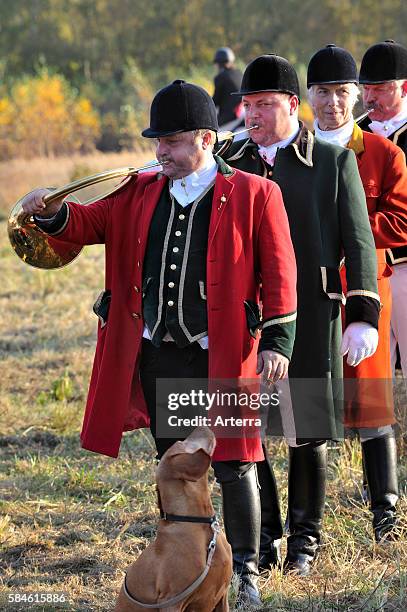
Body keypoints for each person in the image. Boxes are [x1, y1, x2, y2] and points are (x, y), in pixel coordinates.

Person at [21, 79, 297, 605]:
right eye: (156, 141)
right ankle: (183, 560)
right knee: (174, 461)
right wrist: (52, 212)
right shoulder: (141, 189)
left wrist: (278, 341)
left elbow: (281, 272)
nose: (158, 152)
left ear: (205, 139)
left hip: (224, 351)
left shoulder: (256, 194)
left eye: (170, 141)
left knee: (236, 463)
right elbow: (89, 221)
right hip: (159, 352)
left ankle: (246, 572)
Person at [219, 54, 380, 576]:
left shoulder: (332, 161)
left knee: (305, 428)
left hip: (311, 311)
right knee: (250, 429)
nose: (254, 115)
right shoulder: (230, 161)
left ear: (293, 104)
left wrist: (362, 314)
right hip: (246, 318)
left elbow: (358, 242)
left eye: (265, 104)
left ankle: (304, 542)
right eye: (248, 105)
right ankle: (262, 536)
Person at [307, 43, 407, 542]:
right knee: (312, 405)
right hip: (313, 293)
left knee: (372, 402)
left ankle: (386, 517)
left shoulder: (384, 153)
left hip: (370, 287)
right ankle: (309, 528)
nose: (333, 103)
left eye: (342, 93)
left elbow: (402, 218)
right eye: (322, 93)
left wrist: (351, 230)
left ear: (355, 97)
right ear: (308, 97)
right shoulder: (294, 154)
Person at [358, 40, 407, 385]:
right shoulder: (355, 135)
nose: (370, 97)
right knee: (372, 377)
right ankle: (378, 440)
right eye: (365, 88)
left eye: (380, 88)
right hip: (366, 269)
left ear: (404, 87)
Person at [212, 47, 244, 129]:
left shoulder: (220, 77)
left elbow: (215, 101)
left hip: (230, 116)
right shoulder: (239, 73)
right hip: (242, 111)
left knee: (211, 128)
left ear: (219, 63)